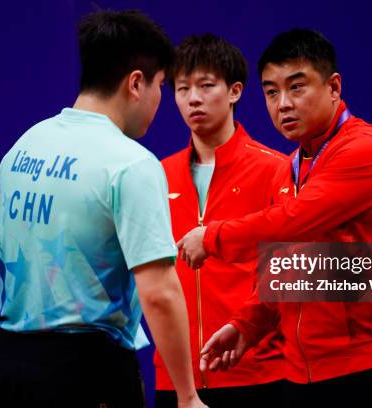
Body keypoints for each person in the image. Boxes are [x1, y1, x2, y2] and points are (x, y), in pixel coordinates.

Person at [178, 29, 372, 407]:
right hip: (303, 373)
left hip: (369, 370)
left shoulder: (366, 150)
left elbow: (294, 220)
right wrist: (246, 325)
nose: (283, 104)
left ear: (334, 87)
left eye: (297, 87)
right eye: (272, 92)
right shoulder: (293, 167)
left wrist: (211, 237)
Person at [0, 10, 206, 408]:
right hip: (87, 374)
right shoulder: (132, 164)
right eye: (162, 85)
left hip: (7, 365)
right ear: (136, 83)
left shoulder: (22, 147)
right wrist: (188, 397)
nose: (163, 101)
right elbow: (158, 292)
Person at [154, 34, 286, 408]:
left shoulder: (275, 169)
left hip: (256, 372)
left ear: (235, 91)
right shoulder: (157, 176)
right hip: (177, 381)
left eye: (206, 85)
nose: (193, 98)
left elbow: (288, 269)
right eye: (182, 88)